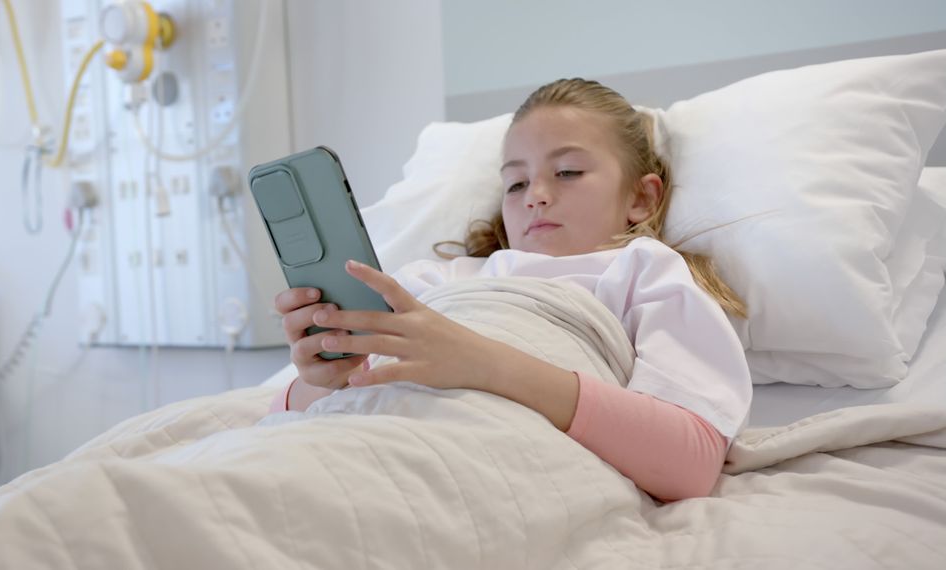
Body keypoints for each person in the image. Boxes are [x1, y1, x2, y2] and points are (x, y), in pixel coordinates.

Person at [268, 78, 752, 503]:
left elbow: (691, 463)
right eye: (516, 183)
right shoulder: (438, 280)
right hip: (357, 442)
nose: (536, 194)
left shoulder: (644, 271)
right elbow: (292, 416)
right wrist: (321, 377)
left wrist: (484, 362)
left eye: (567, 172)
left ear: (641, 198)